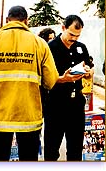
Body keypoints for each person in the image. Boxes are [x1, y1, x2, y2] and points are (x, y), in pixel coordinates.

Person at [0, 5, 59, 161]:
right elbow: (51, 81)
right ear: (26, 21)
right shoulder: (40, 44)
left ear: (6, 20)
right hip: (29, 117)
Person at [44, 14, 93, 161]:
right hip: (55, 105)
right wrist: (61, 79)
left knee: (75, 149)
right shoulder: (50, 48)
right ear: (63, 27)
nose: (74, 38)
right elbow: (43, 78)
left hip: (76, 105)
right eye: (71, 34)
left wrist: (89, 72)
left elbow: (89, 67)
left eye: (77, 35)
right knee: (52, 149)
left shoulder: (81, 47)